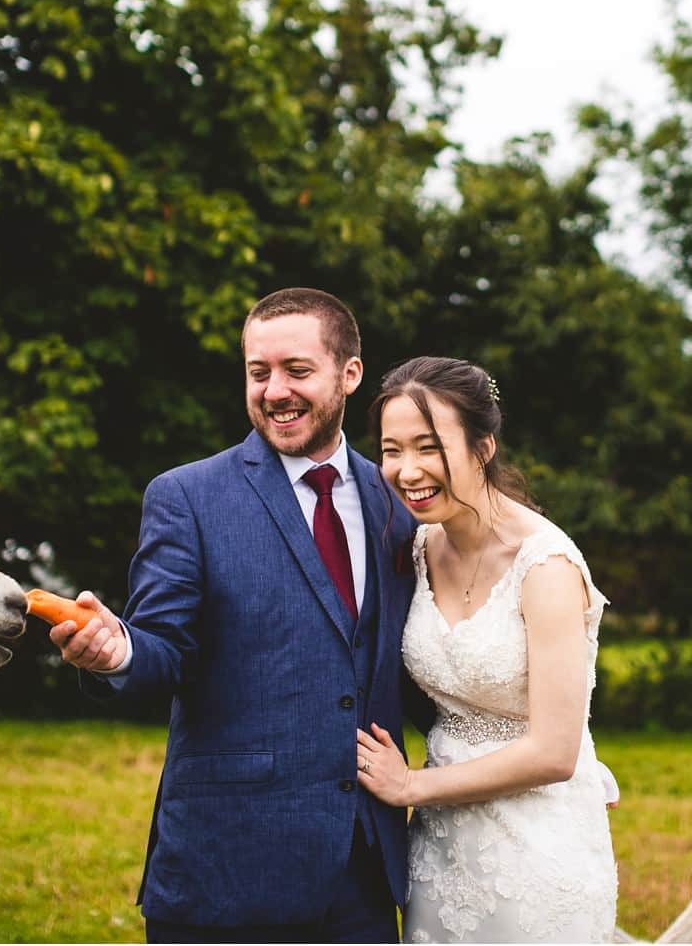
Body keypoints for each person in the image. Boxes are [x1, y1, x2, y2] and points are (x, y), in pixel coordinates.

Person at [50, 288, 422, 942]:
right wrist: (119, 651)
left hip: (362, 876)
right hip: (226, 874)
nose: (274, 390)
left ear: (350, 375)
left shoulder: (397, 506)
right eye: (258, 372)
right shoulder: (187, 498)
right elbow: (160, 648)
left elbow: (421, 669)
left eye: (297, 371)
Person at [353, 356, 618, 943]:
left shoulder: (544, 566)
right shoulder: (418, 546)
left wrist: (410, 788)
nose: (407, 469)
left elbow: (555, 750)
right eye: (391, 450)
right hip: (442, 850)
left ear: (482, 447)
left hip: (538, 849)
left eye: (428, 447)